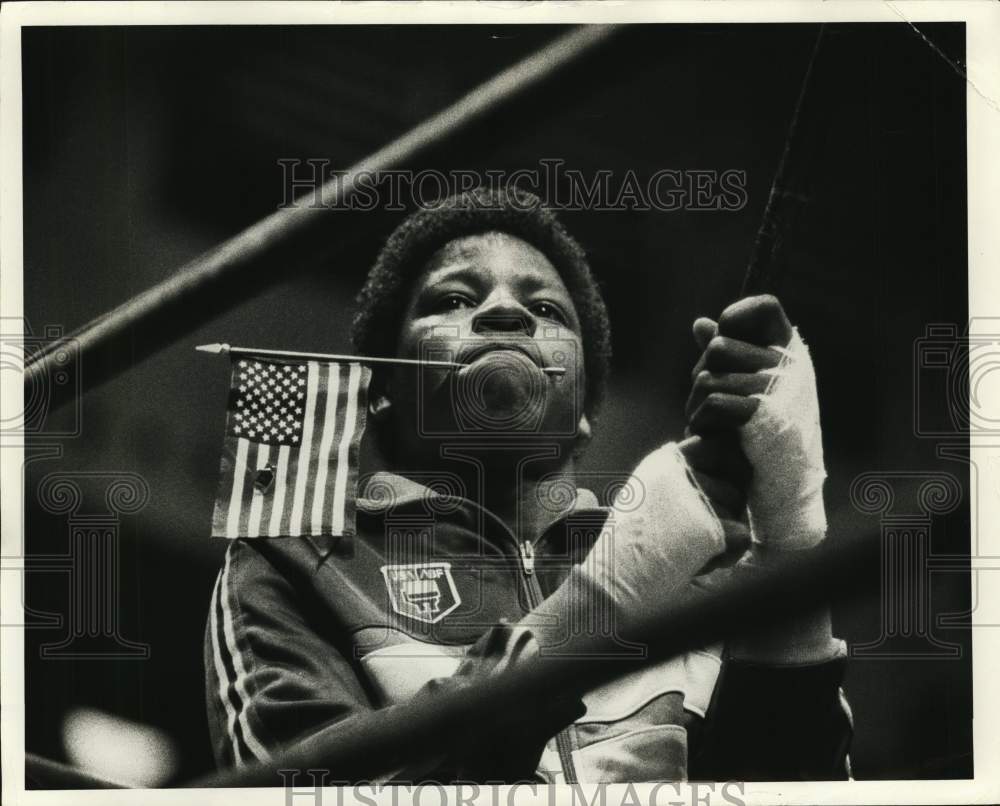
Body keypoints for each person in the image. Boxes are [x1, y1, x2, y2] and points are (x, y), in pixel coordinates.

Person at [204, 186, 852, 782]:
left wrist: (792, 523)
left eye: (545, 309)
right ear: (382, 394)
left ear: (584, 408)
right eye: (454, 300)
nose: (505, 311)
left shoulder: (699, 571)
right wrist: (603, 601)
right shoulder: (293, 564)